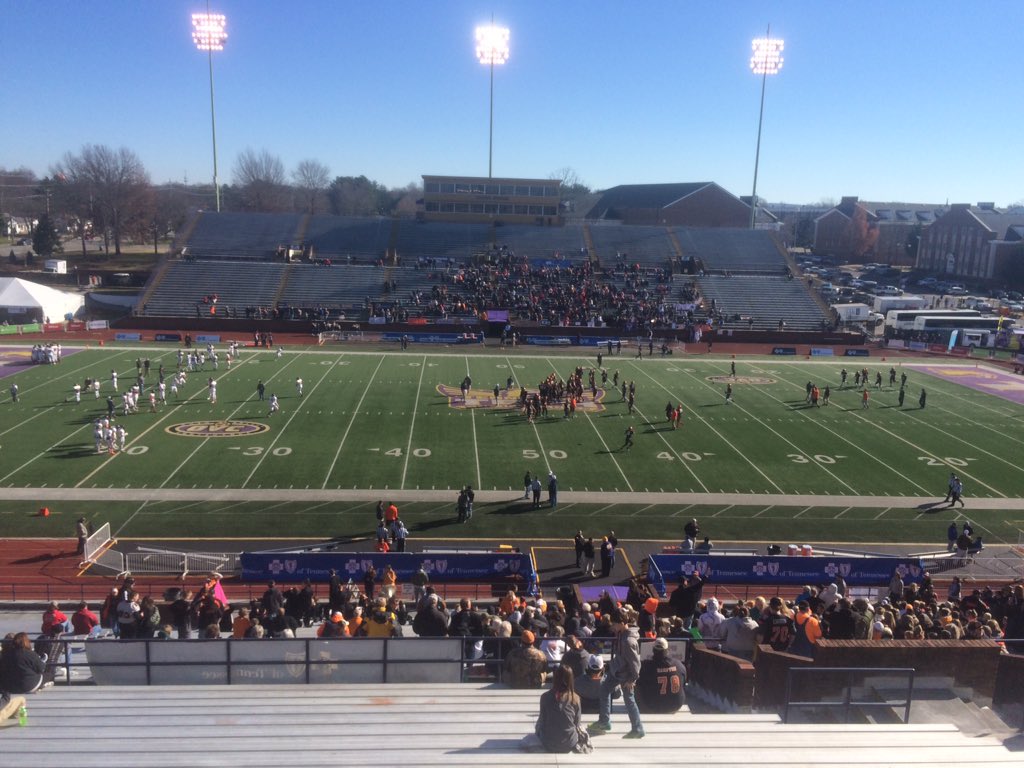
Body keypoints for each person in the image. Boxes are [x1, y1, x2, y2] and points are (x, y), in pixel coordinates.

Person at [589, 607, 644, 739]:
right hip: (617, 670)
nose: (612, 627)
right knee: (604, 689)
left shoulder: (628, 641)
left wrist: (632, 679)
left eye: (614, 624)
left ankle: (638, 728)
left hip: (626, 675)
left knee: (629, 700)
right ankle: (604, 721)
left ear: (620, 623)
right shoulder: (621, 634)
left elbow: (635, 663)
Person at [533, 665, 588, 754]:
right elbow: (577, 723)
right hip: (570, 743)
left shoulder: (545, 697)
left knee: (539, 723)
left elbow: (543, 721)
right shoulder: (575, 698)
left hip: (548, 743)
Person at [636, 637, 686, 714]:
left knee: (635, 682)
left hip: (652, 706)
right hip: (676, 705)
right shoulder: (679, 664)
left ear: (653, 650)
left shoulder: (646, 666)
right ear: (667, 650)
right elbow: (683, 682)